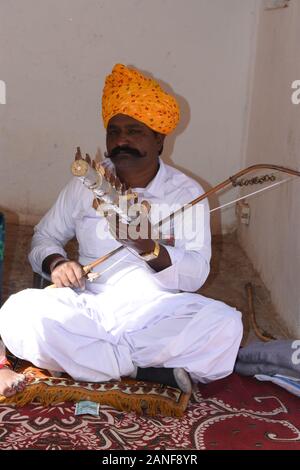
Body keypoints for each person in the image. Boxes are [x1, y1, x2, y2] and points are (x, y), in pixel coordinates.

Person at [0, 64, 243, 398]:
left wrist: (150, 249)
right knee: (19, 311)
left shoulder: (186, 194)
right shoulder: (87, 183)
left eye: (134, 131)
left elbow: (196, 275)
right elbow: (43, 238)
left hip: (156, 311)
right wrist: (57, 263)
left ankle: (88, 363)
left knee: (225, 325)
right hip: (88, 304)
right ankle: (144, 370)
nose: (122, 140)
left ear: (159, 139)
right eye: (114, 132)